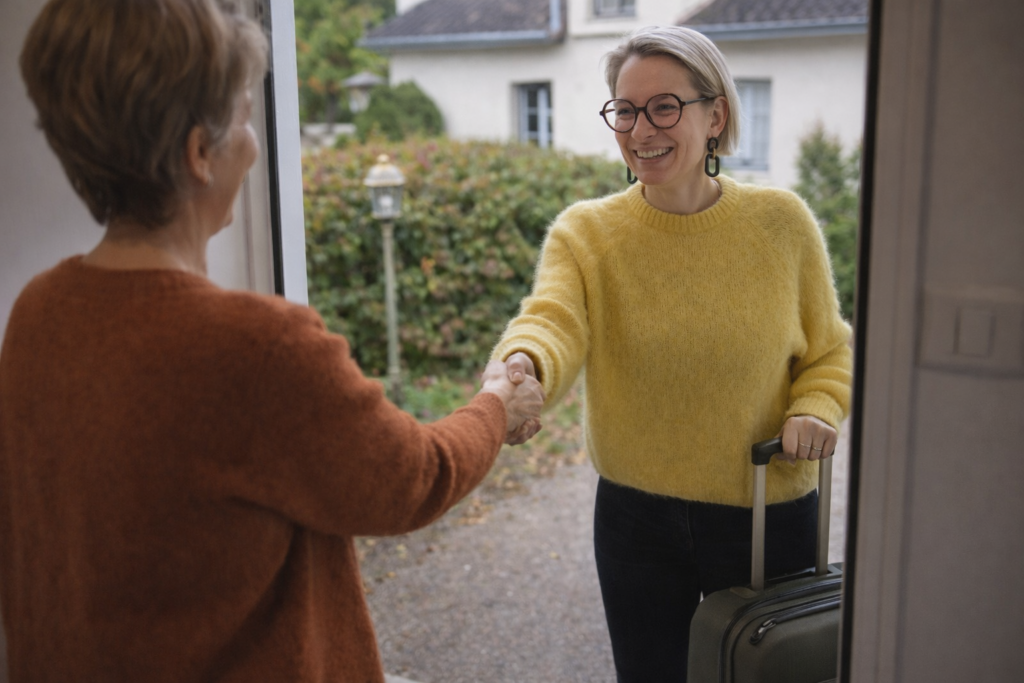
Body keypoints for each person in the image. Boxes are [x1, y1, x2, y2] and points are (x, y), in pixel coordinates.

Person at [0, 1, 543, 681]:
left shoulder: (38, 314)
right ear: (200, 153)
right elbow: (412, 478)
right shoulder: (254, 347)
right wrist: (496, 401)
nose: (255, 143)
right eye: (246, 117)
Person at [493, 25, 853, 682]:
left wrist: (818, 406)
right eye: (625, 109)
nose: (640, 128)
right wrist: (524, 365)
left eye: (664, 106)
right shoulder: (588, 233)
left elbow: (830, 351)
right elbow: (552, 322)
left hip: (767, 512)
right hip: (635, 518)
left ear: (715, 113)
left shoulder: (782, 224)